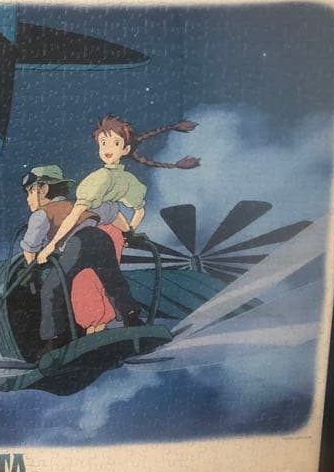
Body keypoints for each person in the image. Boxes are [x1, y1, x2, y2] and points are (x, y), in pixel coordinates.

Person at [36, 115, 200, 330]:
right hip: (110, 237)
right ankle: (129, 321)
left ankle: (66, 334)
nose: (107, 148)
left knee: (74, 285)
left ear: (125, 149)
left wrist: (50, 246)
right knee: (111, 282)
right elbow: (136, 210)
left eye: (114, 143)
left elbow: (76, 214)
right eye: (103, 143)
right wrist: (129, 233)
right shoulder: (127, 180)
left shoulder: (97, 179)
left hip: (85, 238)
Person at [20, 166, 133, 350]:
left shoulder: (42, 213)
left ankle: (54, 341)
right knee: (114, 282)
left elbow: (30, 248)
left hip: (77, 244)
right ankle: (132, 318)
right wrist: (129, 233)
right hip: (100, 239)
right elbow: (113, 212)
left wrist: (32, 271)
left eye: (30, 192)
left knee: (51, 289)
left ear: (44, 189)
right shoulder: (80, 204)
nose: (27, 199)